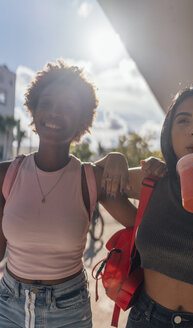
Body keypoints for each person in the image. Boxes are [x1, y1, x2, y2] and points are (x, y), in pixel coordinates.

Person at [0, 59, 139, 328]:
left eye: (68, 107)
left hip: (69, 310)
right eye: (48, 103)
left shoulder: (91, 179)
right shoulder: (7, 175)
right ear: (34, 110)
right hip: (8, 305)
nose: (54, 113)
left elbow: (141, 225)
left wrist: (122, 159)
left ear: (81, 121)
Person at [122, 85, 193, 328]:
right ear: (169, 131)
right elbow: (97, 180)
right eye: (183, 121)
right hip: (146, 317)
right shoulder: (155, 179)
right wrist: (113, 159)